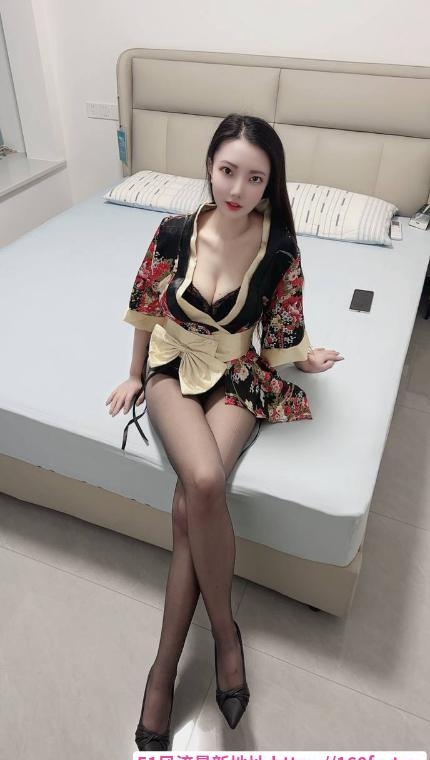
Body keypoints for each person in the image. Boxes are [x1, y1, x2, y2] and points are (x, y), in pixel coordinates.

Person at [105, 113, 344, 750]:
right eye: (227, 171)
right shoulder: (173, 230)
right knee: (204, 482)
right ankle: (212, 641)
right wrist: (134, 374)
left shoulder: (281, 247)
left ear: (271, 184)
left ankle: (175, 665)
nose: (237, 189)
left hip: (238, 373)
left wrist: (303, 358)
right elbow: (145, 307)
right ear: (210, 166)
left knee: (196, 496)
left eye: (255, 178)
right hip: (171, 365)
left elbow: (284, 324)